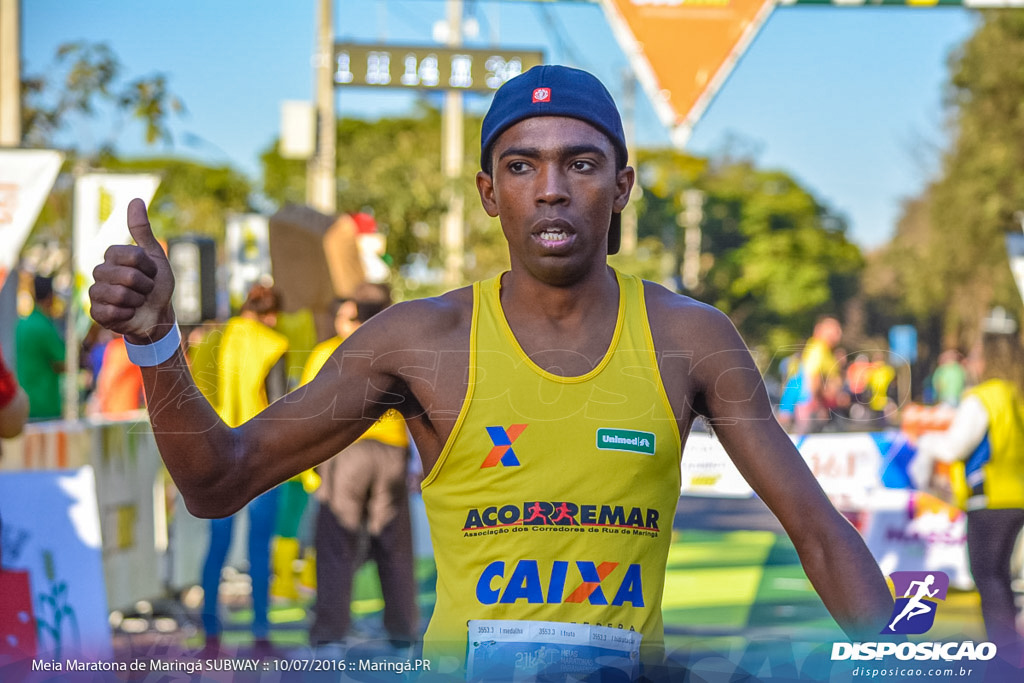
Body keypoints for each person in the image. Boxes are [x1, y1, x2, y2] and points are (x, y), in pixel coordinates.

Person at [89, 65, 894, 677]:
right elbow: (217, 481)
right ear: (487, 192)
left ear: (622, 188)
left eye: (580, 165)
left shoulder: (691, 338)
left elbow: (821, 534)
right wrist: (159, 343)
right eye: (520, 166)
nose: (550, 189)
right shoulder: (418, 338)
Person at [305, 285, 419, 653]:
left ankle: (330, 634)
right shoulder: (398, 352)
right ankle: (402, 632)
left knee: (337, 543)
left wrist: (311, 468)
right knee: (396, 546)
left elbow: (307, 411)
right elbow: (419, 409)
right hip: (392, 452)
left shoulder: (330, 352)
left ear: (357, 316)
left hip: (347, 453)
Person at [911, 332, 1024, 655]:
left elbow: (953, 447)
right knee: (1005, 580)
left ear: (989, 359)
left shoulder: (984, 397)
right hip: (1018, 497)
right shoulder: (1018, 394)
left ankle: (1005, 656)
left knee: (990, 578)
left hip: (989, 499)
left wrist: (926, 443)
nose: (971, 363)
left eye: (976, 355)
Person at [195, 283, 289, 658]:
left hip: (215, 456)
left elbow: (193, 393)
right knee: (258, 550)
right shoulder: (273, 343)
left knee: (216, 547)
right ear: (271, 314)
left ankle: (210, 632)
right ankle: (260, 633)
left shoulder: (212, 340)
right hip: (259, 458)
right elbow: (282, 406)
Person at [15, 275, 65, 420]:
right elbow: (62, 362)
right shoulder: (45, 326)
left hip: (25, 404)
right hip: (46, 406)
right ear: (50, 296)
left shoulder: (21, 324)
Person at [793, 316, 843, 434]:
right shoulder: (818, 348)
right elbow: (813, 376)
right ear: (820, 330)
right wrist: (818, 403)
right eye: (834, 329)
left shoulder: (825, 350)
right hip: (813, 406)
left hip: (819, 406)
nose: (839, 333)